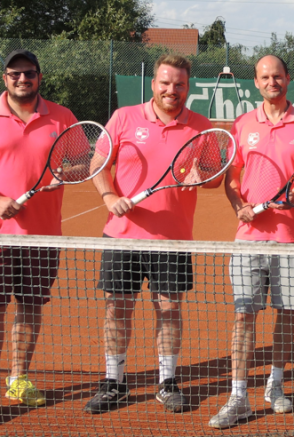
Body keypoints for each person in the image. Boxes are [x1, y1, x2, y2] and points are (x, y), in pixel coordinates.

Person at [83, 54, 219, 415]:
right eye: (165, 82)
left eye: (179, 84)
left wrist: (203, 177)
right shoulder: (124, 118)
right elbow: (98, 163)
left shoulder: (201, 126)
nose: (172, 89)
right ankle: (113, 382)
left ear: (188, 87)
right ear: (154, 84)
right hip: (122, 236)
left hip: (173, 239)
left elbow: (214, 175)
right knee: (117, 308)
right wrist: (109, 197)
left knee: (169, 310)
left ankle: (167, 382)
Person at [0, 49, 78, 427]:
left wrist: (68, 173)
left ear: (39, 77)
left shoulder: (62, 117)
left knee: (31, 307)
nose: (23, 79)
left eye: (29, 73)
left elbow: (83, 161)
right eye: (15, 73)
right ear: (5, 77)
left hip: (43, 236)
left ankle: (18, 378)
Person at [208, 55, 294, 429]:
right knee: (243, 314)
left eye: (277, 76)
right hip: (250, 239)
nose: (271, 82)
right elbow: (232, 178)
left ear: (288, 79)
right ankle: (238, 395)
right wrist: (239, 206)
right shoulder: (243, 124)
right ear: (256, 82)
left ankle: (275, 384)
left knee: (287, 312)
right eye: (264, 77)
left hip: (293, 239)